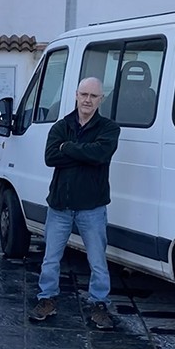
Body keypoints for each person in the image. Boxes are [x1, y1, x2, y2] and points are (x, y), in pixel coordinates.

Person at [29, 77, 120, 330]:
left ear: (101, 99)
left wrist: (67, 148)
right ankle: (46, 299)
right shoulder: (61, 125)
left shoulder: (109, 128)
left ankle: (99, 304)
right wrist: (84, 153)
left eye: (93, 96)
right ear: (76, 95)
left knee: (97, 260)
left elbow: (100, 155)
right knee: (50, 258)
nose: (87, 100)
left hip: (92, 207)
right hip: (60, 206)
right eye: (84, 94)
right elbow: (50, 157)